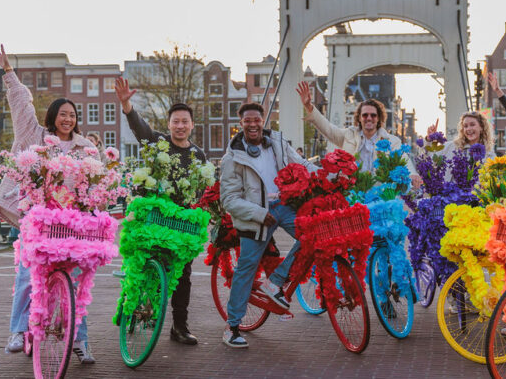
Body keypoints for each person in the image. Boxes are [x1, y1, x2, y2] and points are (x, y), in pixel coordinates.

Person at [0, 45, 99, 364]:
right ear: (53, 117)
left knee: (76, 279)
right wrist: (9, 72)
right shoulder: (34, 136)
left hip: (69, 223)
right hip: (39, 220)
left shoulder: (84, 147)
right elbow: (22, 105)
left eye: (72, 115)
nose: (68, 119)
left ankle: (79, 340)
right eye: (62, 114)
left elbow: (93, 184)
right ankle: (17, 330)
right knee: (28, 273)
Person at [115, 76, 207, 345]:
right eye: (175, 121)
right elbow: (140, 128)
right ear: (169, 125)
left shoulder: (199, 155)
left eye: (184, 121)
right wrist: (127, 105)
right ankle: (130, 306)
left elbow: (201, 188)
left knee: (183, 273)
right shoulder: (158, 143)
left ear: (191, 125)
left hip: (180, 223)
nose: (180, 126)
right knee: (142, 263)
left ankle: (179, 326)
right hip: (154, 217)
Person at [219, 102, 317, 348]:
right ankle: (232, 326)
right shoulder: (232, 157)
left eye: (257, 120)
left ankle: (275, 281)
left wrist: (331, 173)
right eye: (247, 121)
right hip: (257, 215)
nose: (252, 124)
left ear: (264, 121)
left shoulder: (278, 144)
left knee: (313, 235)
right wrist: (260, 214)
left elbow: (302, 165)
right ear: (240, 124)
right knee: (247, 266)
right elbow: (229, 199)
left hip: (284, 206)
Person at [295, 81, 420, 185]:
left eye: (373, 115)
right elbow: (328, 129)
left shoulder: (392, 141)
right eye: (365, 115)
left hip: (379, 195)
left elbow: (403, 158)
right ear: (359, 118)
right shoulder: (348, 135)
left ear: (379, 118)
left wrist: (413, 174)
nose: (369, 118)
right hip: (353, 193)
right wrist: (309, 106)